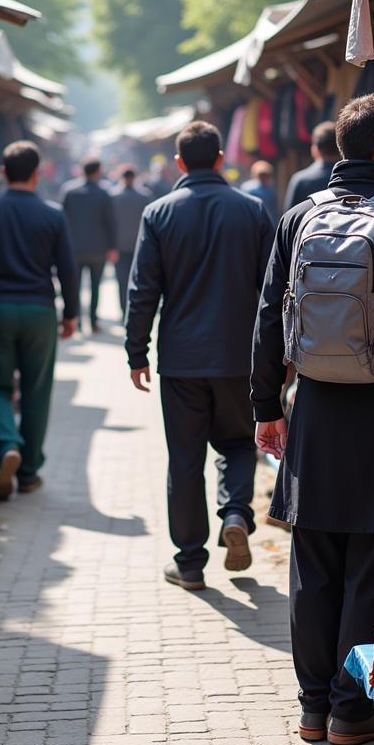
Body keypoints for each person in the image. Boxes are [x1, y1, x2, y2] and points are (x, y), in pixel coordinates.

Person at [251, 93, 374, 745]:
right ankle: (350, 709)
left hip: (311, 411)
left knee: (313, 565)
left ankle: (312, 708)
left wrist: (263, 409)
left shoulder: (296, 218)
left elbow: (266, 323)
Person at [126, 121, 274, 591]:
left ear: (178, 163)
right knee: (236, 442)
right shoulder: (252, 211)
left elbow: (142, 289)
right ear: (219, 160)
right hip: (239, 357)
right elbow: (276, 292)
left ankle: (190, 562)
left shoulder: (158, 213)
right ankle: (235, 512)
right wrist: (279, 355)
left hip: (182, 360)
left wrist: (136, 351)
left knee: (185, 458)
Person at [0, 141, 79, 499]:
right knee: (36, 391)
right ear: (37, 173)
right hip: (40, 311)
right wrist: (71, 313)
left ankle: (7, 442)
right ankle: (28, 472)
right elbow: (67, 271)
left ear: (2, 172)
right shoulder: (53, 215)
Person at [59, 159, 117, 333]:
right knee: (95, 287)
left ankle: (74, 320)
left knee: (73, 286)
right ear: (97, 172)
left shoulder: (69, 191)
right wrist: (112, 247)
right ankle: (93, 321)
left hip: (73, 248)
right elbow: (110, 223)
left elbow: (62, 220)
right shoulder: (103, 193)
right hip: (97, 249)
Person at [109, 165, 152, 317]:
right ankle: (135, 311)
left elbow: (109, 223)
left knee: (122, 282)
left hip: (118, 246)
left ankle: (124, 311)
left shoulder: (112, 196)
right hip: (139, 244)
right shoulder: (144, 196)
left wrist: (110, 246)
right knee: (139, 281)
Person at [283, 120, 340, 210]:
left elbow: (289, 217)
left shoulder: (300, 180)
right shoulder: (352, 177)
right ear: (340, 147)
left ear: (315, 149)